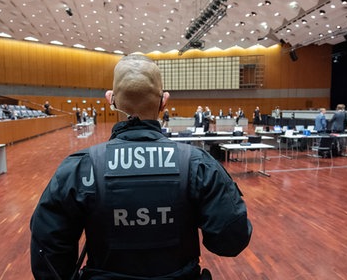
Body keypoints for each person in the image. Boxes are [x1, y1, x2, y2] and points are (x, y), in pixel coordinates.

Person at [30, 54, 252, 280]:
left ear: (111, 99)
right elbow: (231, 241)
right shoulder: (198, 165)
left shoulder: (79, 168)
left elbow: (47, 255)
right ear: (164, 101)